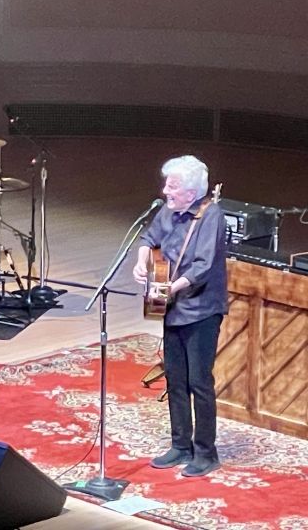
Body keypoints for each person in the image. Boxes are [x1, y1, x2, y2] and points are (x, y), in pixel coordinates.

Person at [132, 155, 227, 477]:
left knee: (199, 382)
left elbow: (202, 266)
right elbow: (148, 238)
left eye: (172, 187)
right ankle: (180, 445)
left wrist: (172, 288)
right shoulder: (168, 210)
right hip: (172, 308)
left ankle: (206, 453)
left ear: (191, 192)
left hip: (201, 309)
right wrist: (141, 262)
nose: (165, 191)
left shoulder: (211, 216)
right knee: (175, 379)